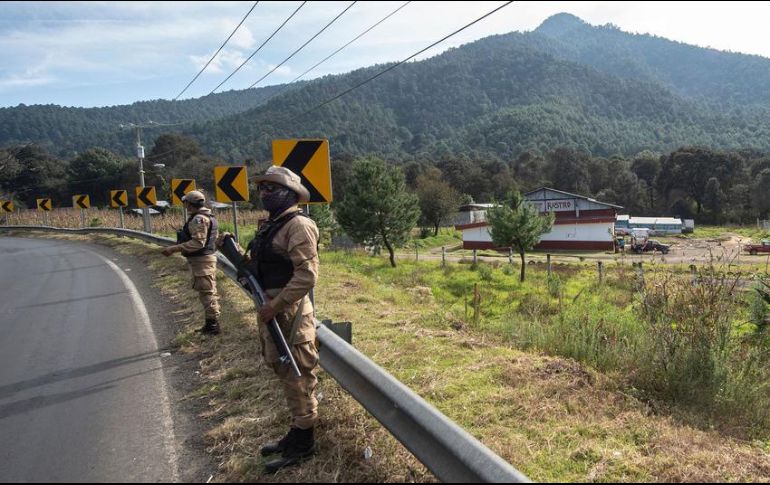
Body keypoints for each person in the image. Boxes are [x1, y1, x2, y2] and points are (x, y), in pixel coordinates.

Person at [217, 166, 320, 473]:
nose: (264, 193)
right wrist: (234, 252)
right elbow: (259, 266)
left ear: (290, 193)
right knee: (284, 372)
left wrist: (275, 305)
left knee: (298, 376)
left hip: (288, 314)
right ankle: (297, 431)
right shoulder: (272, 226)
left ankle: (305, 443)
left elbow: (307, 275)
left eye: (272, 189)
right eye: (262, 188)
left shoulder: (298, 225)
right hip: (271, 311)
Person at [160, 190, 221, 335]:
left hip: (202, 261)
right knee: (206, 292)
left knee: (207, 293)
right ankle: (210, 324)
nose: (185, 205)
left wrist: (174, 249)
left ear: (189, 203)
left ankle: (212, 325)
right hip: (203, 260)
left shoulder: (199, 219)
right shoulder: (207, 216)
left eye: (185, 203)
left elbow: (198, 243)